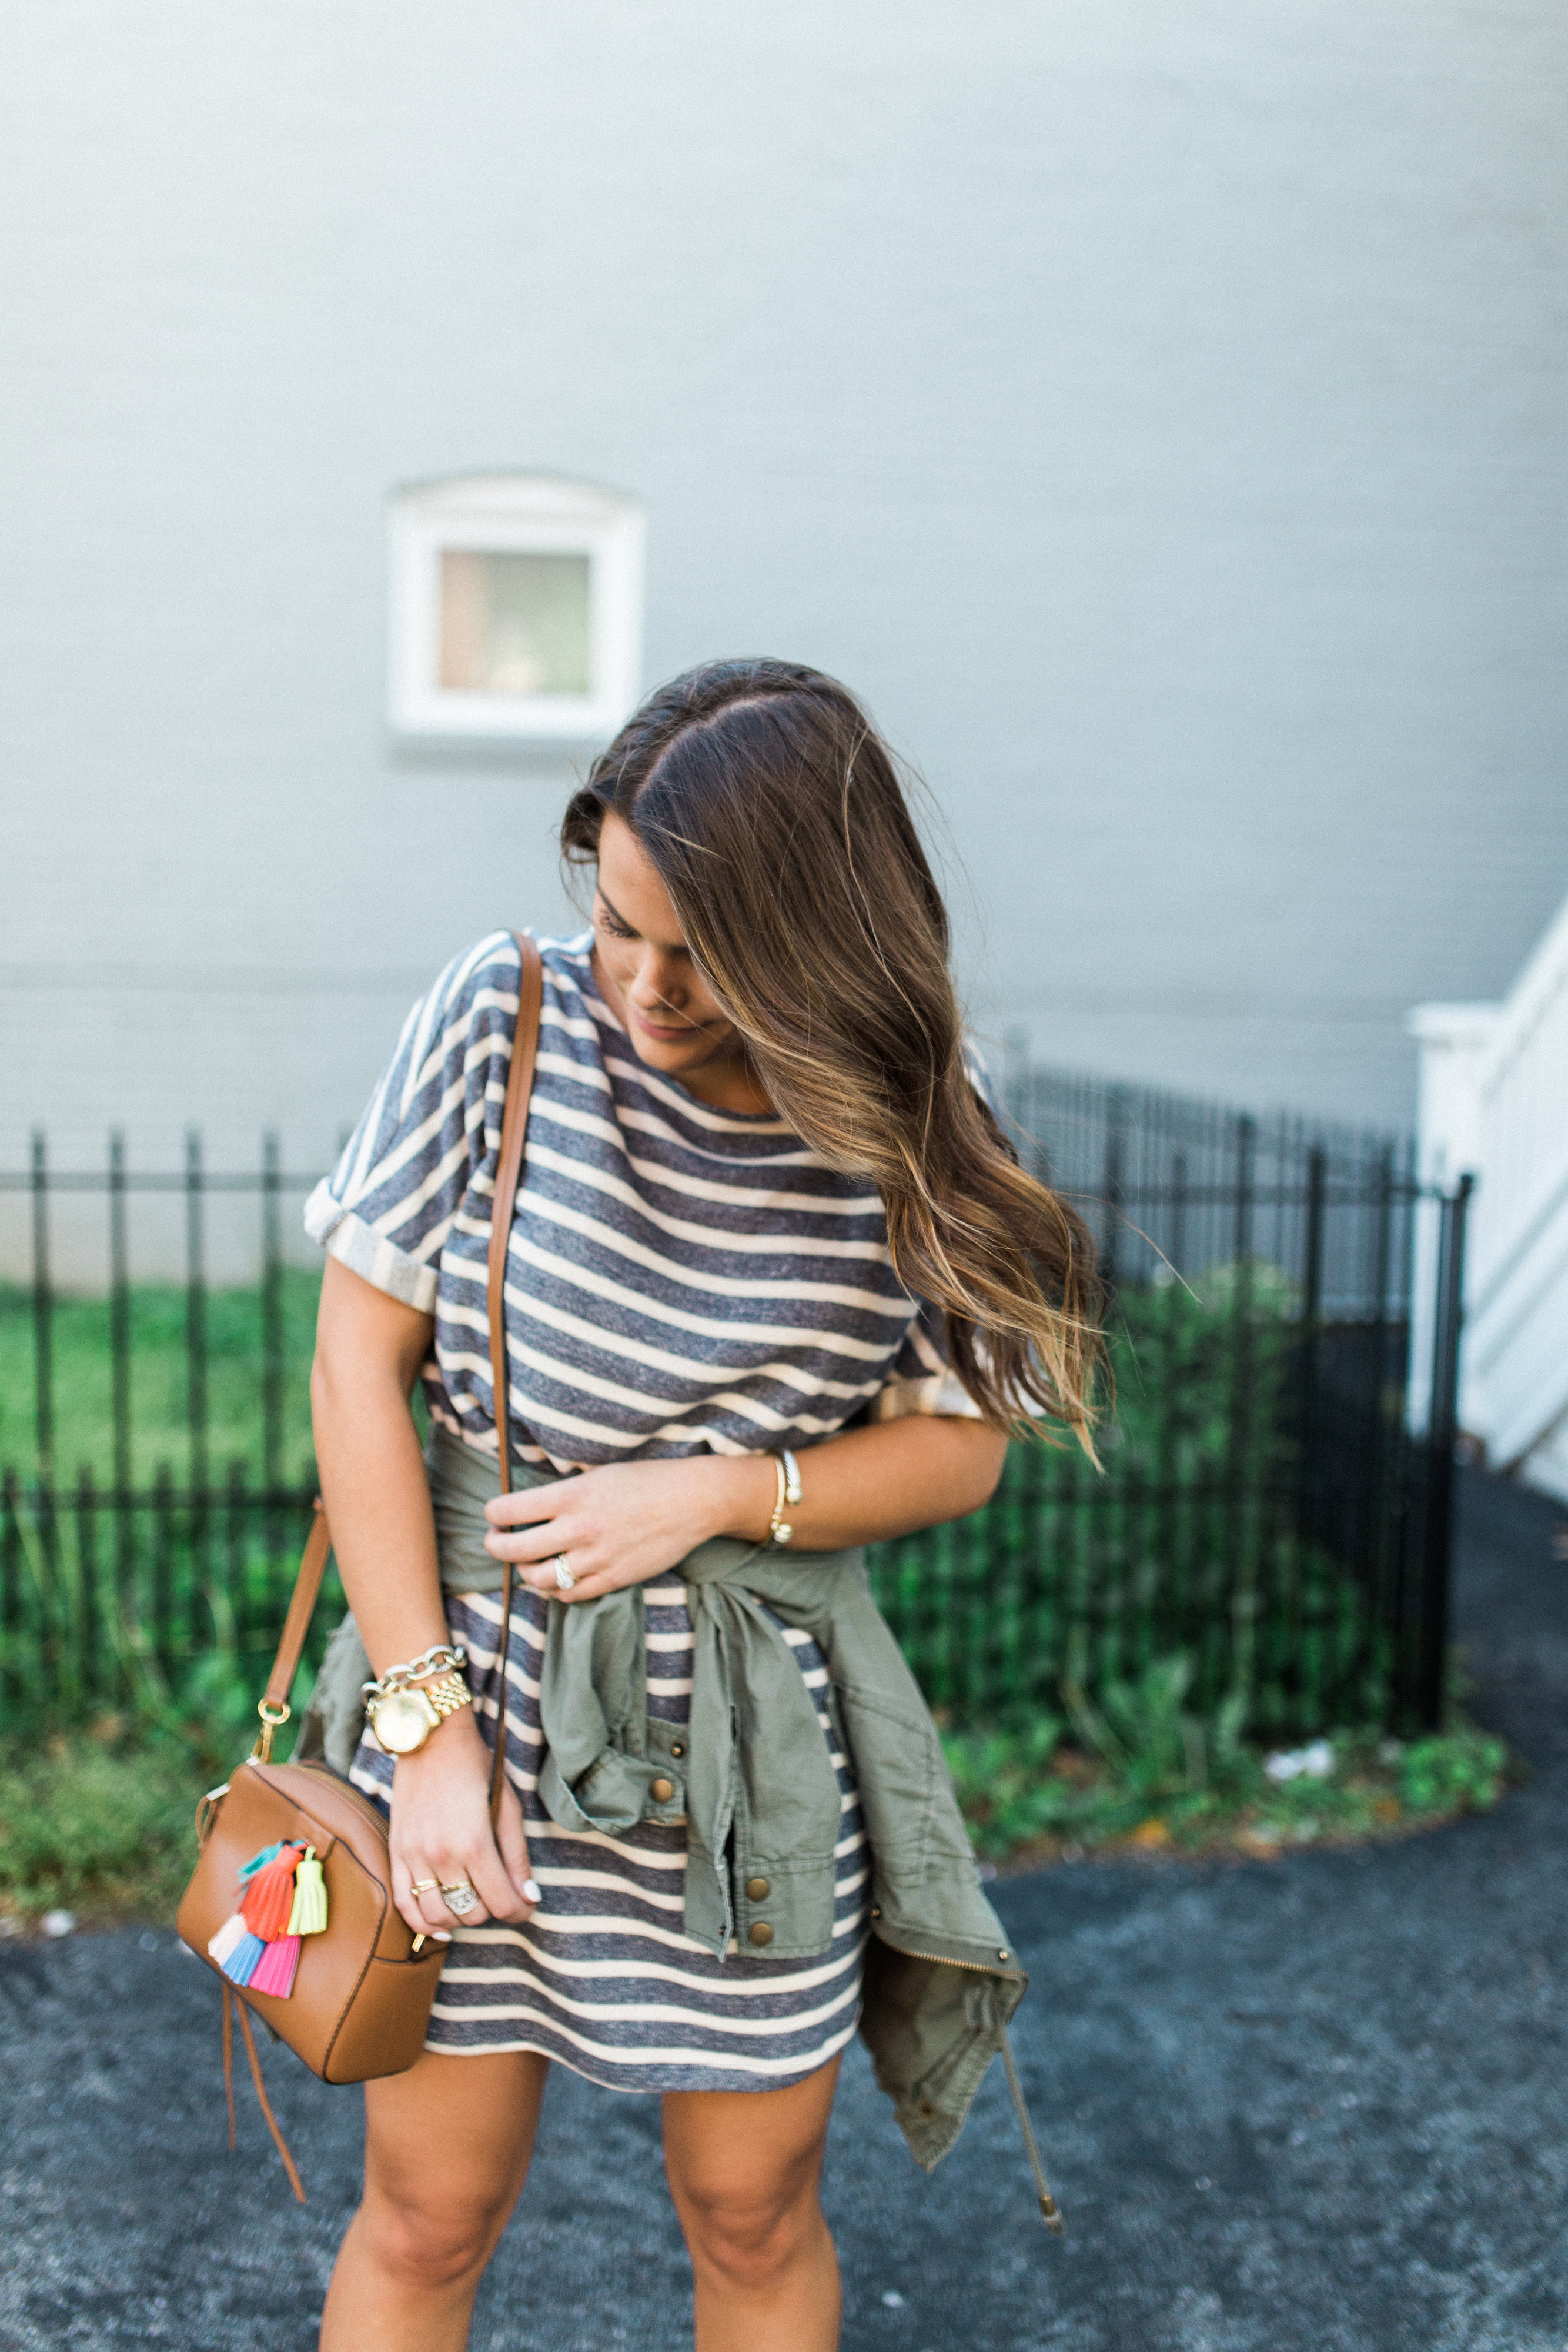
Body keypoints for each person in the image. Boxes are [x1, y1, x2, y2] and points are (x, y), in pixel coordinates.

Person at [304, 658, 1101, 2352]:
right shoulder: (503, 1018)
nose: (645, 986)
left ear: (815, 939)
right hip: (476, 1712)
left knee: (750, 2215)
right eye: (619, 924)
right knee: (431, 2215)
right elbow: (352, 1371)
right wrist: (426, 1738)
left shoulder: (907, 1138)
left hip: (746, 1764)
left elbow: (956, 1445)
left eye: (702, 951)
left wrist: (727, 1492)